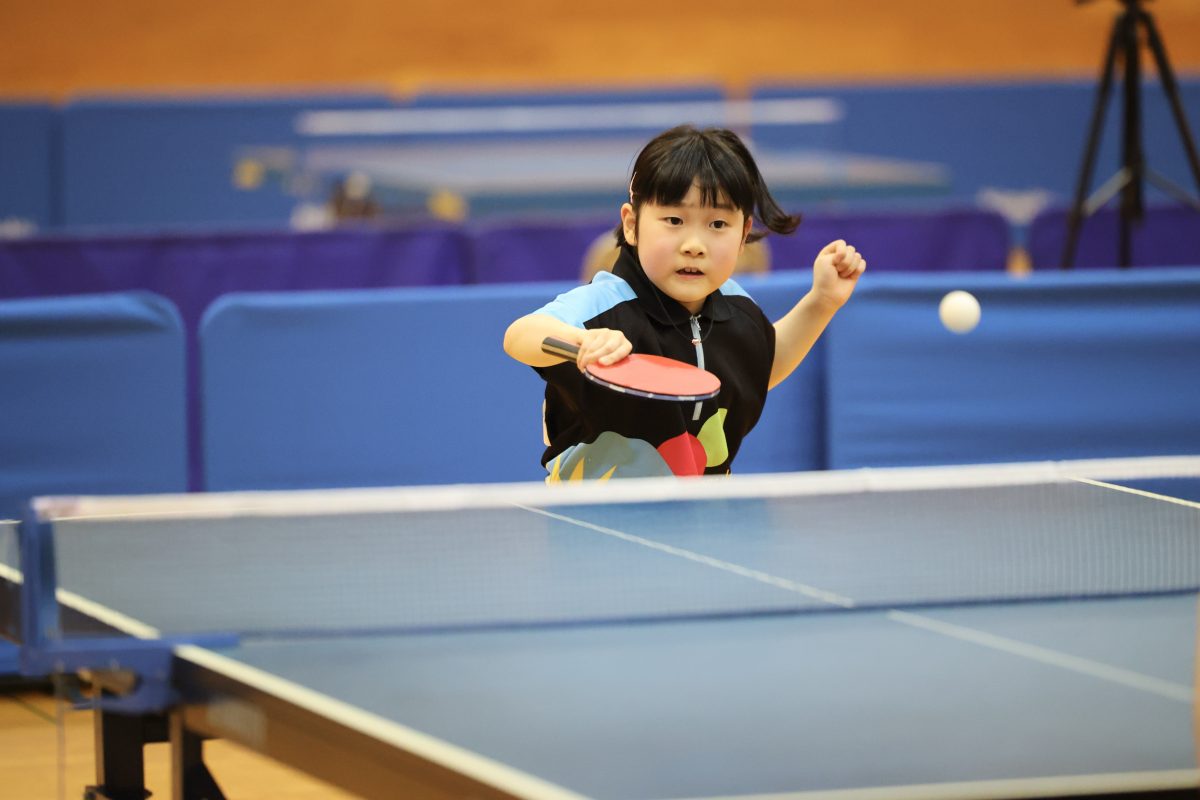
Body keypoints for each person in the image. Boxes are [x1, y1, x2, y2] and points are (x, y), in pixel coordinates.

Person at [503, 125, 864, 481]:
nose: (694, 243)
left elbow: (759, 365)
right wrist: (581, 343)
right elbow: (521, 335)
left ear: (743, 235)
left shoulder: (739, 309)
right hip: (593, 522)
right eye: (674, 220)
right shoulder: (604, 305)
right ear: (631, 225)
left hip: (701, 518)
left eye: (718, 223)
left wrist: (822, 302)